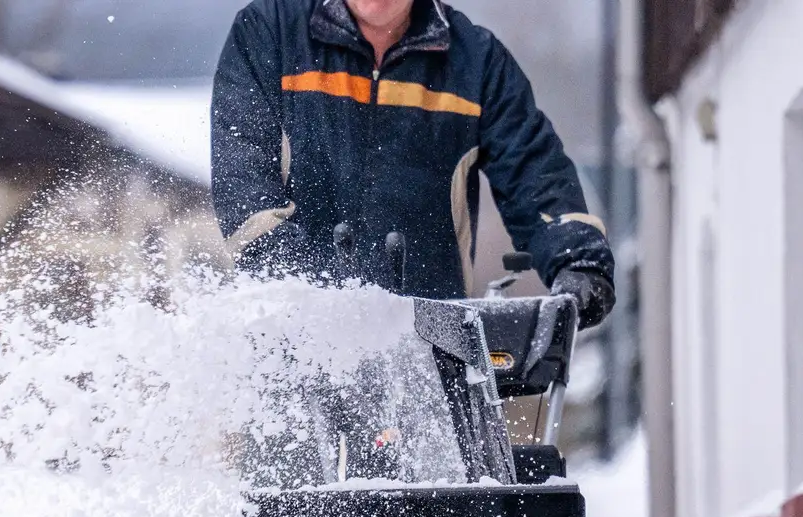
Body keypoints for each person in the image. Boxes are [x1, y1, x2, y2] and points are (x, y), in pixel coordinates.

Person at [211, 0, 615, 327]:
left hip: (432, 353)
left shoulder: (476, 63)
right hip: (298, 346)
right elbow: (244, 185)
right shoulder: (269, 34)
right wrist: (314, 294)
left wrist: (576, 260)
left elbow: (533, 168)